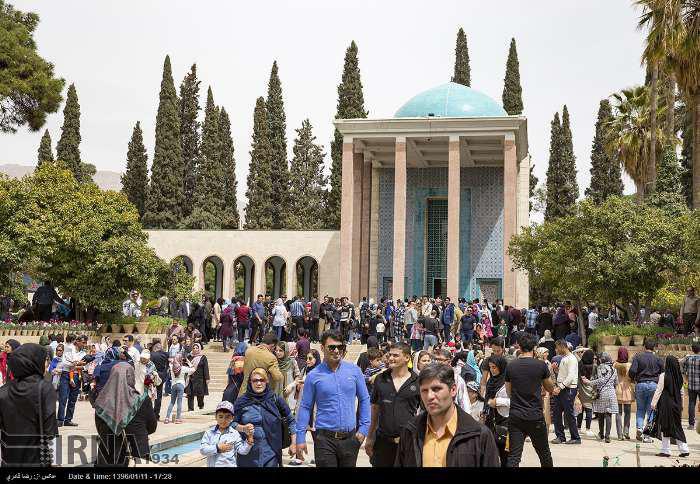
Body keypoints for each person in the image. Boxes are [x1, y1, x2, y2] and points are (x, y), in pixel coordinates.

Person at [394, 363, 500, 467]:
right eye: (424, 391)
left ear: (453, 390)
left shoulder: (479, 435)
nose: (430, 396)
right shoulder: (411, 431)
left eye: (436, 389)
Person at [296, 330, 370, 467]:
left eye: (340, 347)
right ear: (323, 348)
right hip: (324, 440)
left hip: (350, 439)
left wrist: (364, 428)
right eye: (332, 347)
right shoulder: (314, 376)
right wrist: (300, 437)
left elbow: (364, 399)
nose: (336, 351)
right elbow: (305, 407)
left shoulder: (354, 371)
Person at [0, 343, 58, 467]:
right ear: (34, 362)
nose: (47, 364)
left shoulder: (3, 391)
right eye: (45, 360)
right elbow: (51, 431)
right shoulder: (45, 388)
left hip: (9, 460)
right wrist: (56, 461)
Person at [364, 342, 420, 467]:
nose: (390, 358)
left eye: (395, 355)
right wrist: (370, 437)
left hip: (408, 443)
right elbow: (375, 409)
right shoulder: (380, 379)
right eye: (389, 355)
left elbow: (424, 412)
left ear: (407, 358)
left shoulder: (417, 381)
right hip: (383, 443)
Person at [504, 333, 554, 468]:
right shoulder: (541, 365)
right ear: (535, 347)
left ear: (519, 347)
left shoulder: (511, 366)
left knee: (514, 456)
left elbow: (508, 392)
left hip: (516, 416)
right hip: (535, 415)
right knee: (544, 454)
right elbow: (550, 387)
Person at [94, 363, 157, 466]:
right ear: (131, 376)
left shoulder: (101, 402)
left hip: (106, 459)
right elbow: (152, 427)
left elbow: (100, 429)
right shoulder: (141, 401)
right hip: (137, 455)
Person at [233, 368, 297, 467]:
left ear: (266, 381)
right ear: (250, 382)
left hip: (271, 452)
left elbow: (291, 420)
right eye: (255, 380)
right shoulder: (241, 401)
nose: (258, 383)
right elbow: (231, 423)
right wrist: (242, 428)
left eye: (262, 380)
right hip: (247, 453)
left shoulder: (275, 399)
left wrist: (294, 443)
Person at [651, 355, 690, 457]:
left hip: (666, 404)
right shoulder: (679, 377)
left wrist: (653, 403)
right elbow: (681, 393)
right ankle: (684, 449)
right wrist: (681, 405)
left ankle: (666, 450)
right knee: (677, 426)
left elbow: (658, 391)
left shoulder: (663, 376)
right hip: (676, 404)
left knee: (666, 426)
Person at [629, 338, 665, 442]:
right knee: (651, 410)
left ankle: (639, 428)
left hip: (640, 384)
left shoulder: (638, 357)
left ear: (644, 347)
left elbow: (632, 371)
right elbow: (663, 372)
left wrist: (633, 378)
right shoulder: (658, 359)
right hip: (654, 385)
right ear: (653, 348)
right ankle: (647, 435)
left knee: (640, 409)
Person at [201, 400, 254, 467]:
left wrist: (249, 438)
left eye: (227, 417)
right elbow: (203, 450)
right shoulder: (209, 433)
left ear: (232, 418)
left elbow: (243, 451)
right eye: (220, 417)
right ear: (215, 417)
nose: (223, 420)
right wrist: (217, 448)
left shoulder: (234, 434)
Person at [582, 353, 618, 443]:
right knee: (609, 414)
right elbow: (616, 382)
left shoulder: (600, 367)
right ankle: (607, 436)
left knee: (601, 414)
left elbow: (600, 380)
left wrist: (589, 382)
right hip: (611, 393)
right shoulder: (614, 369)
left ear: (602, 359)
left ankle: (601, 433)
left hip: (602, 393)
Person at [551, 339, 580, 445]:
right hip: (562, 388)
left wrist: (560, 387)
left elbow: (571, 376)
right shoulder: (565, 358)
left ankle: (575, 437)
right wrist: (556, 370)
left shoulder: (571, 359)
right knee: (557, 413)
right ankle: (560, 436)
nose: (556, 350)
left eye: (557, 347)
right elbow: (565, 374)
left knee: (569, 414)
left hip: (568, 389)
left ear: (563, 347)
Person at [238, 333, 284, 397]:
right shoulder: (271, 357)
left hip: (244, 391)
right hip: (259, 395)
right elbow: (278, 378)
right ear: (272, 345)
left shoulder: (249, 350)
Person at [484, 355, 510, 467]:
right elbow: (487, 398)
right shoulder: (491, 381)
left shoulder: (508, 382)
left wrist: (498, 402)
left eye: (494, 367)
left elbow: (516, 402)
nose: (492, 370)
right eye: (490, 367)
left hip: (504, 421)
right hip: (490, 421)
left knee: (505, 455)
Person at [56, 334, 86, 427]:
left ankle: (68, 419)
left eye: (85, 342)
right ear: (77, 341)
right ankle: (60, 419)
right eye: (83, 342)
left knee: (73, 399)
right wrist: (76, 364)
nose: (84, 344)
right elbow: (64, 363)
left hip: (77, 376)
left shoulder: (83, 353)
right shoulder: (68, 348)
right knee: (63, 397)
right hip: (65, 374)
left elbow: (85, 366)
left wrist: (75, 364)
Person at [163, 355, 196, 424]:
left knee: (172, 402)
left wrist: (172, 360)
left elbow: (170, 362)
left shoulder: (172, 367)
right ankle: (178, 419)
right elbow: (193, 369)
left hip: (173, 385)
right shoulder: (183, 368)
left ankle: (167, 418)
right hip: (181, 385)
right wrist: (188, 362)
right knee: (179, 402)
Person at [614, 347, 634, 440]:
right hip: (627, 389)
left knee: (618, 413)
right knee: (628, 413)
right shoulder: (630, 365)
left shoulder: (614, 365)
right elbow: (632, 377)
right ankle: (626, 431)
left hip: (617, 389)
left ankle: (619, 434)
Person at [274, 341, 301, 408]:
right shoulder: (274, 362)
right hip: (277, 393)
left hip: (289, 392)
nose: (278, 352)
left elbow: (298, 376)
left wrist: (292, 385)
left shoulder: (292, 362)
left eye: (280, 350)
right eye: (276, 350)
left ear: (285, 351)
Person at [185, 343, 210, 411]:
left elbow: (206, 368)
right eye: (194, 348)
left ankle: (200, 406)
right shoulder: (189, 357)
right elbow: (185, 366)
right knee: (190, 394)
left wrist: (207, 378)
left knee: (200, 395)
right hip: (190, 378)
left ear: (199, 349)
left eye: (197, 348)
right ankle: (190, 409)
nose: (195, 349)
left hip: (200, 379)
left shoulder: (203, 357)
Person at [681, 343, 700, 431]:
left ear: (692, 349)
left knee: (691, 403)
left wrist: (685, 376)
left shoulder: (688, 358)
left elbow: (681, 363)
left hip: (691, 385)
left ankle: (691, 424)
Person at [149, 340, 169, 421]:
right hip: (161, 376)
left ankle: (150, 414)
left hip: (152, 376)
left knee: (150, 394)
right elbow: (167, 366)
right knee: (159, 396)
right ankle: (156, 414)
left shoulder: (152, 354)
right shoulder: (165, 354)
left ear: (155, 347)